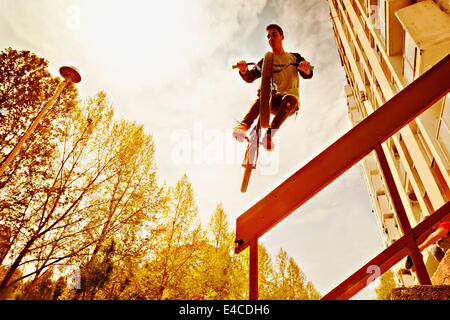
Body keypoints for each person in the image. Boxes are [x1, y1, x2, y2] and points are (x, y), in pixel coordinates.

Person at [232, 24, 313, 151]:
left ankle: (269, 136)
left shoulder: (294, 57)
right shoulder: (267, 60)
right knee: (262, 99)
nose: (271, 38)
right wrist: (243, 70)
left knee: (290, 99)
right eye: (268, 36)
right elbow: (250, 77)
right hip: (274, 99)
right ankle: (243, 126)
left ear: (282, 37)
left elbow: (308, 75)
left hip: (290, 103)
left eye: (274, 35)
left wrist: (305, 69)